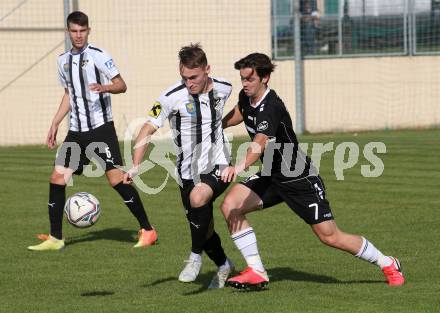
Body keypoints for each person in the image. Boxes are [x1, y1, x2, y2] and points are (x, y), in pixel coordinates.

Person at [220, 52, 405, 290]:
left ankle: (387, 262)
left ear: (265, 78)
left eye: (249, 79)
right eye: (242, 79)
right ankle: (256, 271)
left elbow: (260, 141)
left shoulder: (271, 106)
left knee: (330, 236)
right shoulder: (247, 97)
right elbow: (240, 112)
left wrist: (239, 166)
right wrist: (218, 124)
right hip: (271, 174)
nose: (245, 84)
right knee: (230, 206)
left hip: (298, 177)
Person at [28, 11, 157, 251]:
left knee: (116, 179)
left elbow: (122, 85)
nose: (78, 35)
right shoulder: (62, 61)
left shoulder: (99, 56)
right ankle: (56, 238)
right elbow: (69, 93)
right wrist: (55, 122)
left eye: (82, 31)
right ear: (68, 32)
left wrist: (105, 87)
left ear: (88, 31)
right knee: (57, 178)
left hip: (100, 130)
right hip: (76, 133)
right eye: (74, 31)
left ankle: (148, 230)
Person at [123, 43, 234, 288]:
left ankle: (194, 257)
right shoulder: (171, 97)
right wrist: (135, 165)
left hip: (220, 163)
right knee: (203, 228)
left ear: (207, 70)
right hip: (187, 172)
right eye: (184, 77)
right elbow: (147, 128)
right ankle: (225, 265)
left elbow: (241, 109)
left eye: (194, 77)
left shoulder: (225, 87)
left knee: (197, 200)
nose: (189, 83)